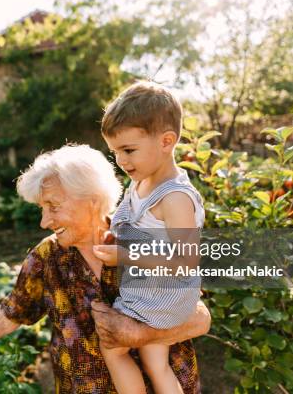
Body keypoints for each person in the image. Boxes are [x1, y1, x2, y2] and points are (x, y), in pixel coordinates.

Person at [0, 144, 210, 394]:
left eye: (53, 206)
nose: (44, 221)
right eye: (41, 208)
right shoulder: (47, 260)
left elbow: (200, 317)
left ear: (91, 199)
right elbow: (7, 315)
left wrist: (139, 334)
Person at [94, 81, 205, 394]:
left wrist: (124, 256)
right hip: (154, 289)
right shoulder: (141, 182)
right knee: (156, 362)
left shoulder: (174, 198)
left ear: (166, 141)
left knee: (112, 347)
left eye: (129, 150)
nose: (122, 161)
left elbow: (186, 263)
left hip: (165, 294)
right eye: (115, 152)